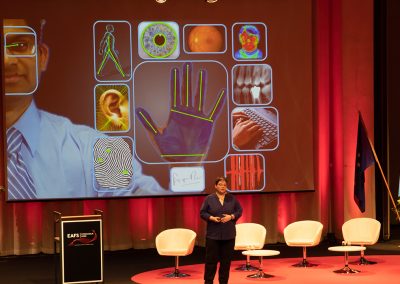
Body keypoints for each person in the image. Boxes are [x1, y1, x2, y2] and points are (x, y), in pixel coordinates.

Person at [3, 18, 165, 199]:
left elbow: (146, 199)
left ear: (42, 56)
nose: (7, 60)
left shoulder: (95, 145)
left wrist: (185, 165)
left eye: (20, 45)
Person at [200, 176, 243, 284]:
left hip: (229, 235)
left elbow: (239, 211)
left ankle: (223, 282)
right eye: (220, 184)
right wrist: (212, 218)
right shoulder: (209, 198)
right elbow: (203, 213)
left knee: (226, 262)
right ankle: (208, 281)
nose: (223, 187)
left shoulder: (232, 198)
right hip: (213, 236)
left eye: (224, 185)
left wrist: (231, 216)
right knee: (211, 262)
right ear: (215, 186)